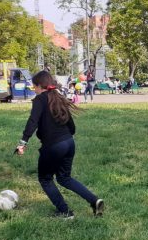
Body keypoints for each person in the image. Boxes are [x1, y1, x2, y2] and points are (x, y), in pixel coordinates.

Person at [16, 70, 104, 219]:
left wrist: (23, 142)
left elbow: (33, 121)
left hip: (53, 146)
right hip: (69, 143)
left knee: (45, 179)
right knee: (64, 178)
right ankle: (94, 201)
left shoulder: (39, 100)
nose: (34, 90)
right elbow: (71, 125)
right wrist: (67, 136)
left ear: (39, 86)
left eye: (34, 87)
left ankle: (65, 212)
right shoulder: (58, 97)